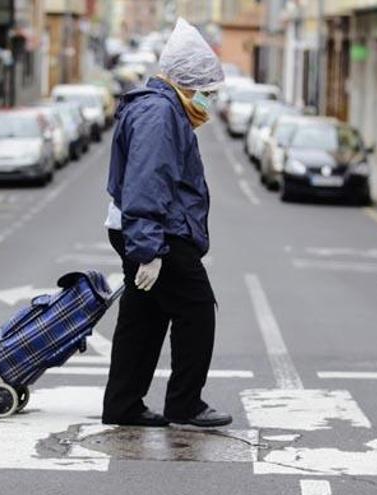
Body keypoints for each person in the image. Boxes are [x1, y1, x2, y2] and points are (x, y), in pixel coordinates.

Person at [101, 18, 231, 428]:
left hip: (146, 229)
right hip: (158, 233)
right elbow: (146, 184)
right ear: (186, 82)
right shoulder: (159, 114)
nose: (209, 101)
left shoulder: (161, 107)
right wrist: (150, 251)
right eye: (206, 92)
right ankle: (185, 404)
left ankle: (123, 404)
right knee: (196, 311)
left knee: (144, 317)